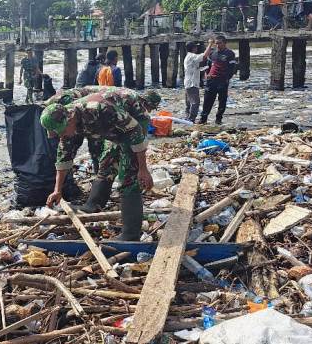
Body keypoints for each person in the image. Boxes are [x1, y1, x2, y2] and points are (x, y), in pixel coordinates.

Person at [40, 88, 157, 240]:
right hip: (113, 125)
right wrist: (57, 190)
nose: (60, 135)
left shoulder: (99, 109)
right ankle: (93, 204)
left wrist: (143, 169)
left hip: (134, 118)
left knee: (128, 175)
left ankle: (130, 234)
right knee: (107, 161)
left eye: (61, 131)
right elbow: (64, 157)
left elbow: (134, 130)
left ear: (70, 118)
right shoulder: (67, 126)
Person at [199, 36, 237, 125]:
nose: (217, 45)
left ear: (224, 43)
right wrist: (206, 74)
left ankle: (218, 119)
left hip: (222, 80)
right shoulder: (213, 53)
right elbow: (207, 65)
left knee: (222, 101)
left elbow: (232, 68)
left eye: (219, 43)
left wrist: (227, 78)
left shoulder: (230, 53)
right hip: (211, 80)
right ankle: (203, 119)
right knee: (207, 100)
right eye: (216, 43)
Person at [183, 42, 205, 122]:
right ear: (193, 48)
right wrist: (210, 44)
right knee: (195, 102)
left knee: (189, 102)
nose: (197, 48)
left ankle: (187, 117)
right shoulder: (192, 56)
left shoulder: (189, 56)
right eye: (196, 47)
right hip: (192, 83)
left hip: (188, 82)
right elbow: (204, 56)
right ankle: (191, 119)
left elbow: (195, 67)